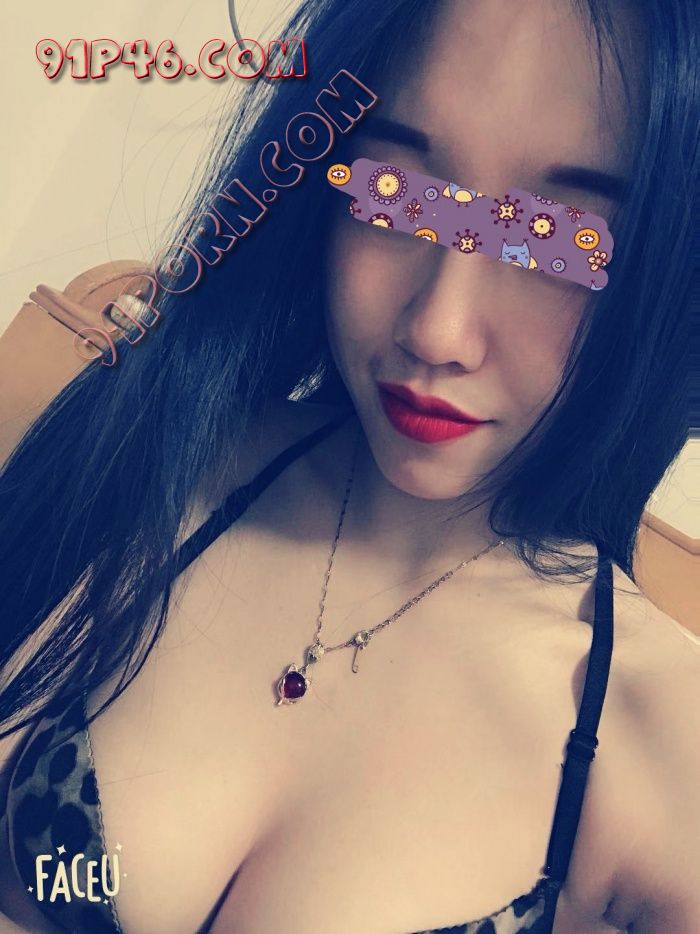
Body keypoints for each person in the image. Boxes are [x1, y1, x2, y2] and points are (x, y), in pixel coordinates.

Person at [0, 0, 698, 931]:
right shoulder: (156, 452)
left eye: (555, 240)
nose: (438, 330)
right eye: (394, 195)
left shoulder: (662, 748)